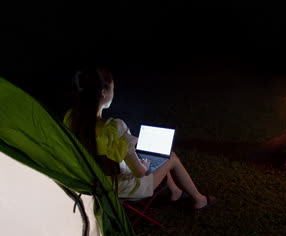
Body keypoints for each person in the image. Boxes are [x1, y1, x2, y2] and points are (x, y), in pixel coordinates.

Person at [64, 67, 216, 210]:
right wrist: (143, 164)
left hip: (88, 180)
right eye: (113, 89)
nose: (114, 93)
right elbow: (139, 173)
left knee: (155, 155)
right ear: (104, 92)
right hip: (118, 187)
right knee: (171, 157)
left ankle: (175, 191)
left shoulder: (71, 119)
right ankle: (199, 200)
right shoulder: (114, 129)